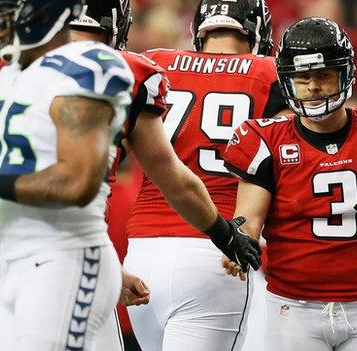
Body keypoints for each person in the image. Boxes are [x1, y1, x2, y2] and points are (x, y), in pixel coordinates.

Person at [223, 16, 357, 351]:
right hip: (292, 307)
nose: (313, 86)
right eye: (303, 77)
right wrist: (239, 243)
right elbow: (248, 221)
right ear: (288, 81)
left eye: (324, 75)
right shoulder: (265, 139)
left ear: (345, 73)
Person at [122, 0, 284, 350]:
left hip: (142, 252)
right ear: (256, 31)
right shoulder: (270, 73)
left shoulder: (153, 63)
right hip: (221, 248)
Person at [0, 0, 133, 349]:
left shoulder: (84, 66)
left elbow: (77, 181)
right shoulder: (9, 72)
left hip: (63, 256)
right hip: (17, 256)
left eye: (10, 9)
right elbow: (14, 192)